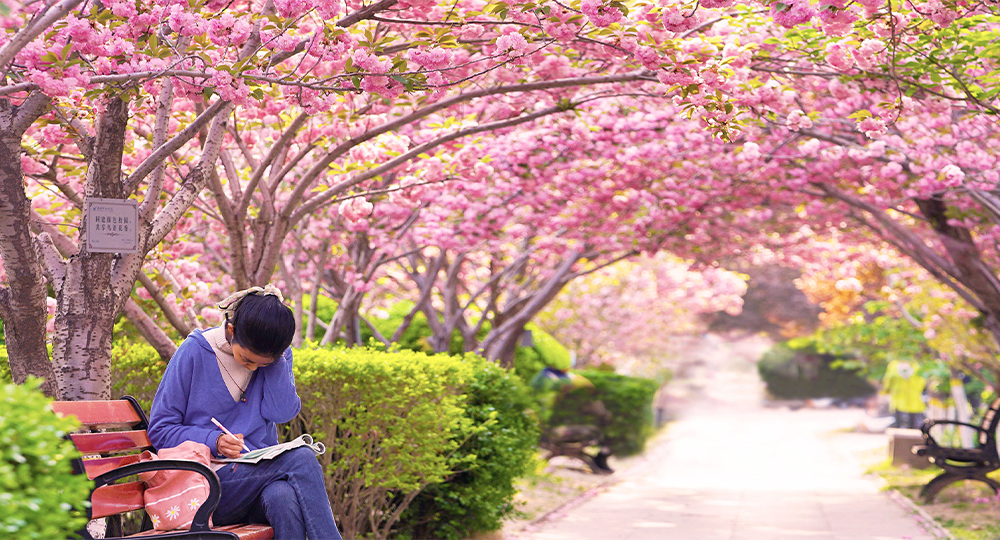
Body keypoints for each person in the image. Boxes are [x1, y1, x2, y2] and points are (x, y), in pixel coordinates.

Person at [148, 285, 342, 540]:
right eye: (249, 359)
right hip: (206, 484)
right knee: (302, 457)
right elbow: (161, 430)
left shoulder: (275, 356)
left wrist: (276, 363)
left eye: (264, 363)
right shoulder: (195, 351)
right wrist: (213, 440)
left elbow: (281, 412)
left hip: (254, 480)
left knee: (282, 497)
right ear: (231, 330)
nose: (254, 367)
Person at [881, 359, 927, 430]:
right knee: (905, 425)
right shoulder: (917, 366)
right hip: (906, 401)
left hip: (908, 402)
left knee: (906, 425)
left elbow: (887, 382)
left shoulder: (894, 366)